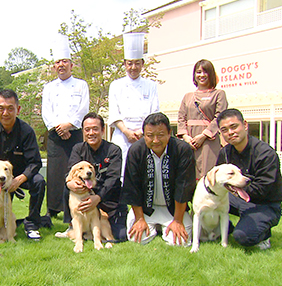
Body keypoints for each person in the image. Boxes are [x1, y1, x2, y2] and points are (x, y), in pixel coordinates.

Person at [0, 89, 46, 240]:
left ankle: (32, 224)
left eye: (10, 108)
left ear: (18, 109)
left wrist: (18, 180)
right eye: (1, 108)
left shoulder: (26, 131)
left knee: (39, 182)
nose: (5, 113)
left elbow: (35, 162)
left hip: (20, 176)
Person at [121, 112, 196, 245]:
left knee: (180, 242)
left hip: (173, 209)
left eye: (160, 135)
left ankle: (168, 225)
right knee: (136, 239)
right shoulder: (136, 150)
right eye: (150, 136)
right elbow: (132, 187)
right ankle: (154, 226)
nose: (155, 140)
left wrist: (178, 221)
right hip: (145, 209)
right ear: (144, 135)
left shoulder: (182, 150)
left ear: (169, 133)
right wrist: (139, 218)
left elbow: (183, 187)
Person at [216, 108, 282, 250]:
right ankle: (226, 228)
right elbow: (219, 180)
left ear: (245, 125)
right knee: (209, 199)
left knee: (243, 236)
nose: (230, 133)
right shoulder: (225, 153)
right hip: (239, 198)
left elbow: (263, 189)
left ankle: (263, 234)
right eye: (225, 130)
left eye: (234, 127)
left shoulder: (265, 154)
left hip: (265, 204)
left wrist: (237, 185)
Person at [58, 112, 128, 241]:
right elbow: (70, 172)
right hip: (85, 198)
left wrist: (98, 197)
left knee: (120, 236)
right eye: (87, 129)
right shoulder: (78, 149)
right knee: (68, 186)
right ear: (83, 131)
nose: (91, 133)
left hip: (109, 201)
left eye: (95, 129)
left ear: (102, 130)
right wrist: (70, 183)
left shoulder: (114, 150)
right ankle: (72, 224)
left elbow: (113, 179)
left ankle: (96, 228)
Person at [42, 34, 89, 217]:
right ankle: (52, 211)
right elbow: (47, 112)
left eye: (64, 61)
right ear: (54, 66)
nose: (61, 65)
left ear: (71, 64)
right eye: (58, 62)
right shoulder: (49, 87)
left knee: (75, 171)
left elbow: (83, 109)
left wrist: (69, 125)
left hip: (75, 134)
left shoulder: (81, 85)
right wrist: (58, 128)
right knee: (54, 174)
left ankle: (74, 209)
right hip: (55, 135)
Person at [108, 32, 159, 173]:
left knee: (143, 172)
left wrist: (142, 132)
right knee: (121, 172)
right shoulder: (116, 85)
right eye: (130, 63)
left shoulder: (151, 85)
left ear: (142, 63)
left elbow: (154, 112)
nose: (133, 67)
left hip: (144, 134)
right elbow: (114, 112)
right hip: (122, 135)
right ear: (125, 64)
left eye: (137, 63)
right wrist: (126, 131)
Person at [177, 59, 228, 180]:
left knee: (207, 176)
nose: (202, 75)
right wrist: (185, 137)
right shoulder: (188, 96)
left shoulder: (219, 94)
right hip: (189, 140)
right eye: (198, 72)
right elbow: (181, 118)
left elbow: (220, 117)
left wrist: (203, 136)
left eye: (205, 72)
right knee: (188, 174)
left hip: (208, 140)